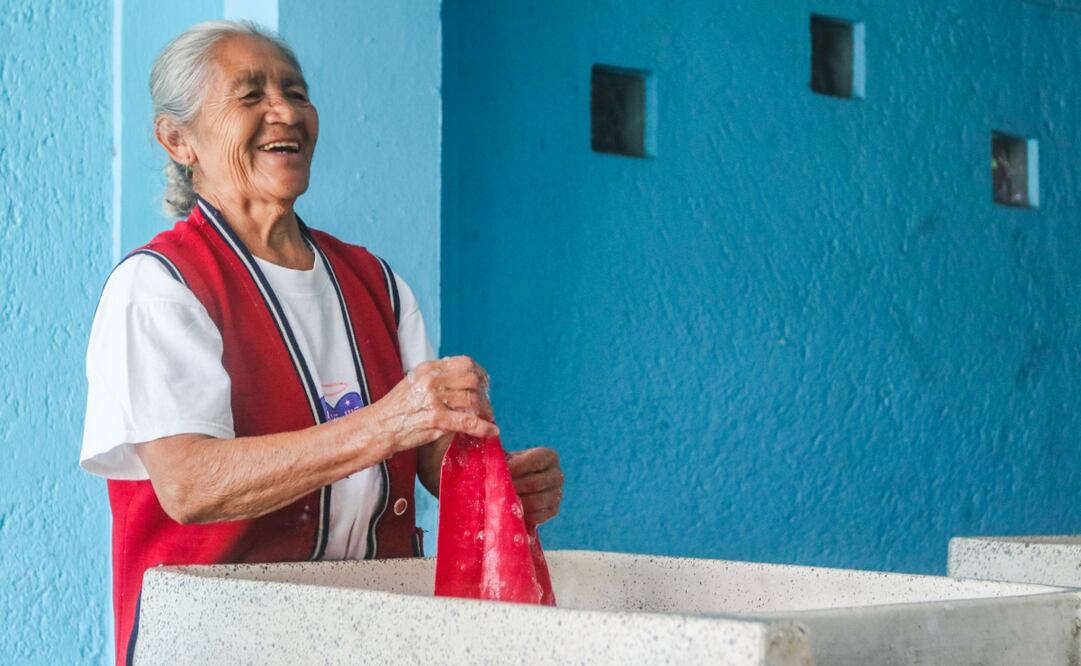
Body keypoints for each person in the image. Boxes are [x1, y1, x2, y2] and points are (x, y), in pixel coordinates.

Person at [79, 20, 564, 664]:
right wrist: (386, 423)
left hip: (371, 632)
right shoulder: (160, 286)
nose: (285, 111)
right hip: (218, 642)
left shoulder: (376, 283)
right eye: (250, 95)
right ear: (178, 139)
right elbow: (191, 486)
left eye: (296, 91)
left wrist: (500, 483)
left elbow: (428, 456)